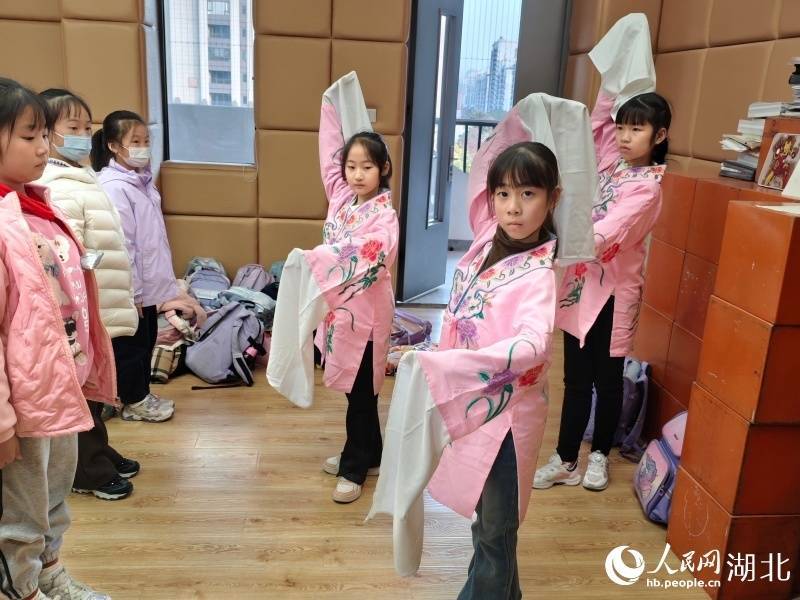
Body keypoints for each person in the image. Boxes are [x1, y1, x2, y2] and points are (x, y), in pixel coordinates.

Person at [535, 14, 671, 492]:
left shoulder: (647, 189)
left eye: (637, 130)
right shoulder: (612, 162)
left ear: (659, 136)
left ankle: (598, 459)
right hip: (580, 285)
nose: (624, 136)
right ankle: (565, 458)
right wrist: (619, 70)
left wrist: (550, 244)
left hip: (614, 293)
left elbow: (606, 236)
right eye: (623, 128)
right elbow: (597, 123)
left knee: (607, 380)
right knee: (575, 378)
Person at [0, 76, 115, 600]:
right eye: (29, 136)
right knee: (20, 511)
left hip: (59, 383)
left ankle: (48, 572)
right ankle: (21, 588)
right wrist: (3, 422)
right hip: (22, 401)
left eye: (45, 134)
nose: (44, 147)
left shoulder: (39, 207)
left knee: (53, 496)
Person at [268, 72, 399, 504]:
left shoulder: (384, 217)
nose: (357, 174)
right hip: (341, 314)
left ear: (383, 169)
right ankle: (371, 452)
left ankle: (354, 465)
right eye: (352, 166)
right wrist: (331, 105)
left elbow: (368, 252)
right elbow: (329, 155)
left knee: (362, 393)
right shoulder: (342, 199)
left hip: (368, 317)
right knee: (356, 392)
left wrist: (315, 259)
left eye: (367, 167)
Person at [37, 88, 140, 501]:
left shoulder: (81, 175)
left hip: (101, 298)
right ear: (48, 134)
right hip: (80, 305)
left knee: (94, 386)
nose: (82, 136)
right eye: (72, 128)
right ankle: (86, 470)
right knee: (81, 388)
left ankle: (99, 450)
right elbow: (65, 250)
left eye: (86, 128)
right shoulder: (56, 182)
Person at [91, 110, 177, 423]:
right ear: (114, 146)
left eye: (146, 141)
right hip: (131, 290)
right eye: (135, 141)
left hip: (147, 288)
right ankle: (133, 401)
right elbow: (124, 246)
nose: (143, 147)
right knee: (131, 347)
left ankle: (138, 394)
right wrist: (135, 293)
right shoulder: (115, 187)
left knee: (147, 341)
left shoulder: (141, 182)